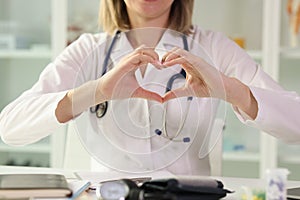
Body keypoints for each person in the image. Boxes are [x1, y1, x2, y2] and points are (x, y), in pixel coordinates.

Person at [0, 0, 300, 175]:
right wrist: (97, 92)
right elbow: (10, 128)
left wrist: (229, 89)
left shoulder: (213, 47)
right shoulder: (88, 50)